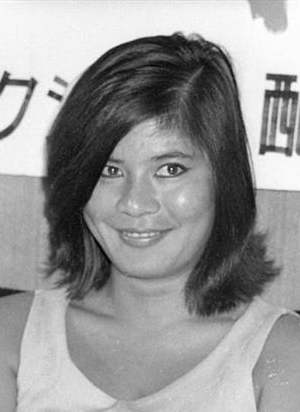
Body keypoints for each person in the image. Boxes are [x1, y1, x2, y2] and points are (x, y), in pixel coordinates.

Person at [0, 32, 299, 412]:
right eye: (109, 170)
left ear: (224, 179)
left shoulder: (283, 356)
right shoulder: (11, 336)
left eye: (170, 169)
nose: (135, 203)